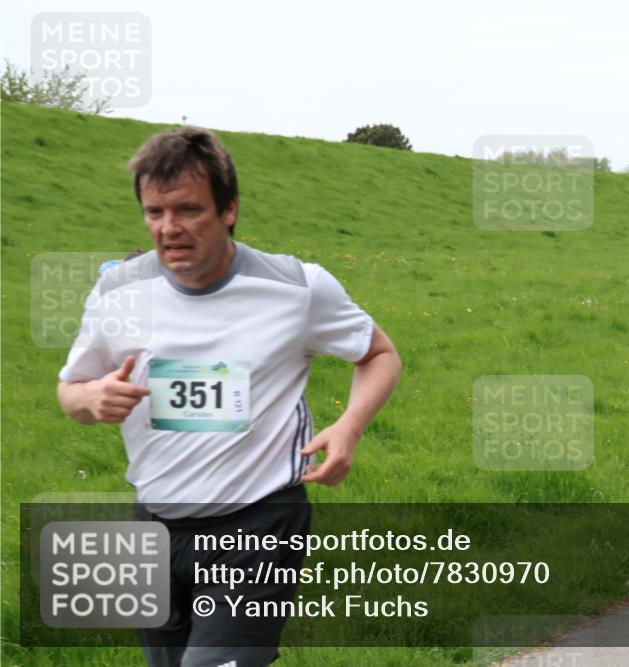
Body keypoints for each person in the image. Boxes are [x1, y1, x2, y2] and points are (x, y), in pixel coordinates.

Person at [56, 127, 402, 667]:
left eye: (189, 210)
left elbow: (379, 354)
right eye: (154, 213)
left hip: (257, 523)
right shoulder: (117, 293)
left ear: (229, 209)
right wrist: (92, 398)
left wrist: (350, 425)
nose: (169, 229)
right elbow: (69, 392)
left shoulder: (295, 289)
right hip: (154, 523)